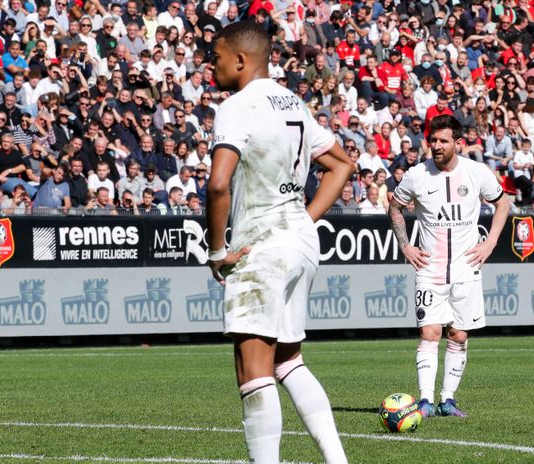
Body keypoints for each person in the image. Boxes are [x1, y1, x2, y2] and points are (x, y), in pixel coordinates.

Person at [205, 22, 351, 463]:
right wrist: (302, 219)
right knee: (288, 359)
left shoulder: (236, 106)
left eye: (216, 57)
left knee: (252, 367)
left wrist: (216, 251)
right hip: (301, 240)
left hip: (262, 245)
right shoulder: (294, 101)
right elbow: (342, 164)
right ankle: (337, 460)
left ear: (240, 60)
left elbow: (217, 185)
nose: (211, 65)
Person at [388, 114, 509, 419]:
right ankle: (426, 401)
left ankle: (448, 400)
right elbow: (395, 207)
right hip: (429, 268)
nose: (437, 146)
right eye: (433, 141)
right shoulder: (417, 175)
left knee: (458, 335)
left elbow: (503, 203)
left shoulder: (477, 172)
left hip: (466, 267)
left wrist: (490, 241)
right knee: (429, 332)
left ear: (458, 142)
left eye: (443, 141)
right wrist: (405, 245)